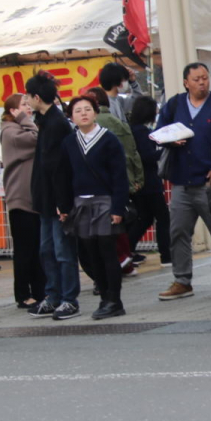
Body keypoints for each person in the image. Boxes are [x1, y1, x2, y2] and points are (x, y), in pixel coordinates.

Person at [154, 62, 211, 300]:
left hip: (210, 182)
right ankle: (182, 281)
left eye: (205, 78)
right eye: (197, 79)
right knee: (178, 231)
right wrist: (170, 140)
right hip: (181, 182)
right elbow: (158, 132)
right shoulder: (174, 105)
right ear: (186, 82)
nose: (202, 82)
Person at [59, 95, 129, 320]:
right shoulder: (69, 142)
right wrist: (64, 206)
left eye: (87, 109)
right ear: (71, 116)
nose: (83, 113)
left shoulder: (108, 139)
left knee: (107, 250)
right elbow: (64, 176)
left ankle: (114, 300)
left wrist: (118, 208)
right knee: (88, 253)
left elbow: (120, 176)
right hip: (80, 202)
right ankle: (103, 294)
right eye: (77, 110)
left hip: (104, 201)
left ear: (95, 112)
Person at [25, 71, 81, 320]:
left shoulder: (56, 123)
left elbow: (59, 168)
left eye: (28, 96)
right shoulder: (46, 121)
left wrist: (63, 203)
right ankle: (53, 296)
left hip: (57, 201)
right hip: (46, 200)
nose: (27, 101)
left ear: (37, 97)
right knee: (46, 250)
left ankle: (69, 299)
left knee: (62, 252)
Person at [88, 86, 144, 275]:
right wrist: (136, 178)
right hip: (123, 179)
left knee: (104, 228)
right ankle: (125, 261)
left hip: (101, 185)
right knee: (118, 222)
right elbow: (132, 151)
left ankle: (117, 263)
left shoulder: (92, 126)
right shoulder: (117, 122)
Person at [0, 94, 45, 311]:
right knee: (25, 250)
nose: (29, 108)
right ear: (13, 111)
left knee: (35, 248)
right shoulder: (11, 132)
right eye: (24, 105)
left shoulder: (19, 129)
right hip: (20, 199)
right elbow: (38, 139)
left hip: (31, 198)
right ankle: (23, 294)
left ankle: (39, 291)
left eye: (29, 103)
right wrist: (26, 120)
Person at [125, 95, 171, 266]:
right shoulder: (144, 133)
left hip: (137, 183)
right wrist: (167, 150)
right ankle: (166, 255)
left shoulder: (131, 130)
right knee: (163, 218)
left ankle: (126, 251)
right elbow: (148, 157)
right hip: (150, 182)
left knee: (144, 218)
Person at [99, 61, 142, 127]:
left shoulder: (118, 100)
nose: (127, 82)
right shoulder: (106, 104)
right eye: (125, 80)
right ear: (118, 82)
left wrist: (133, 82)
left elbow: (137, 100)